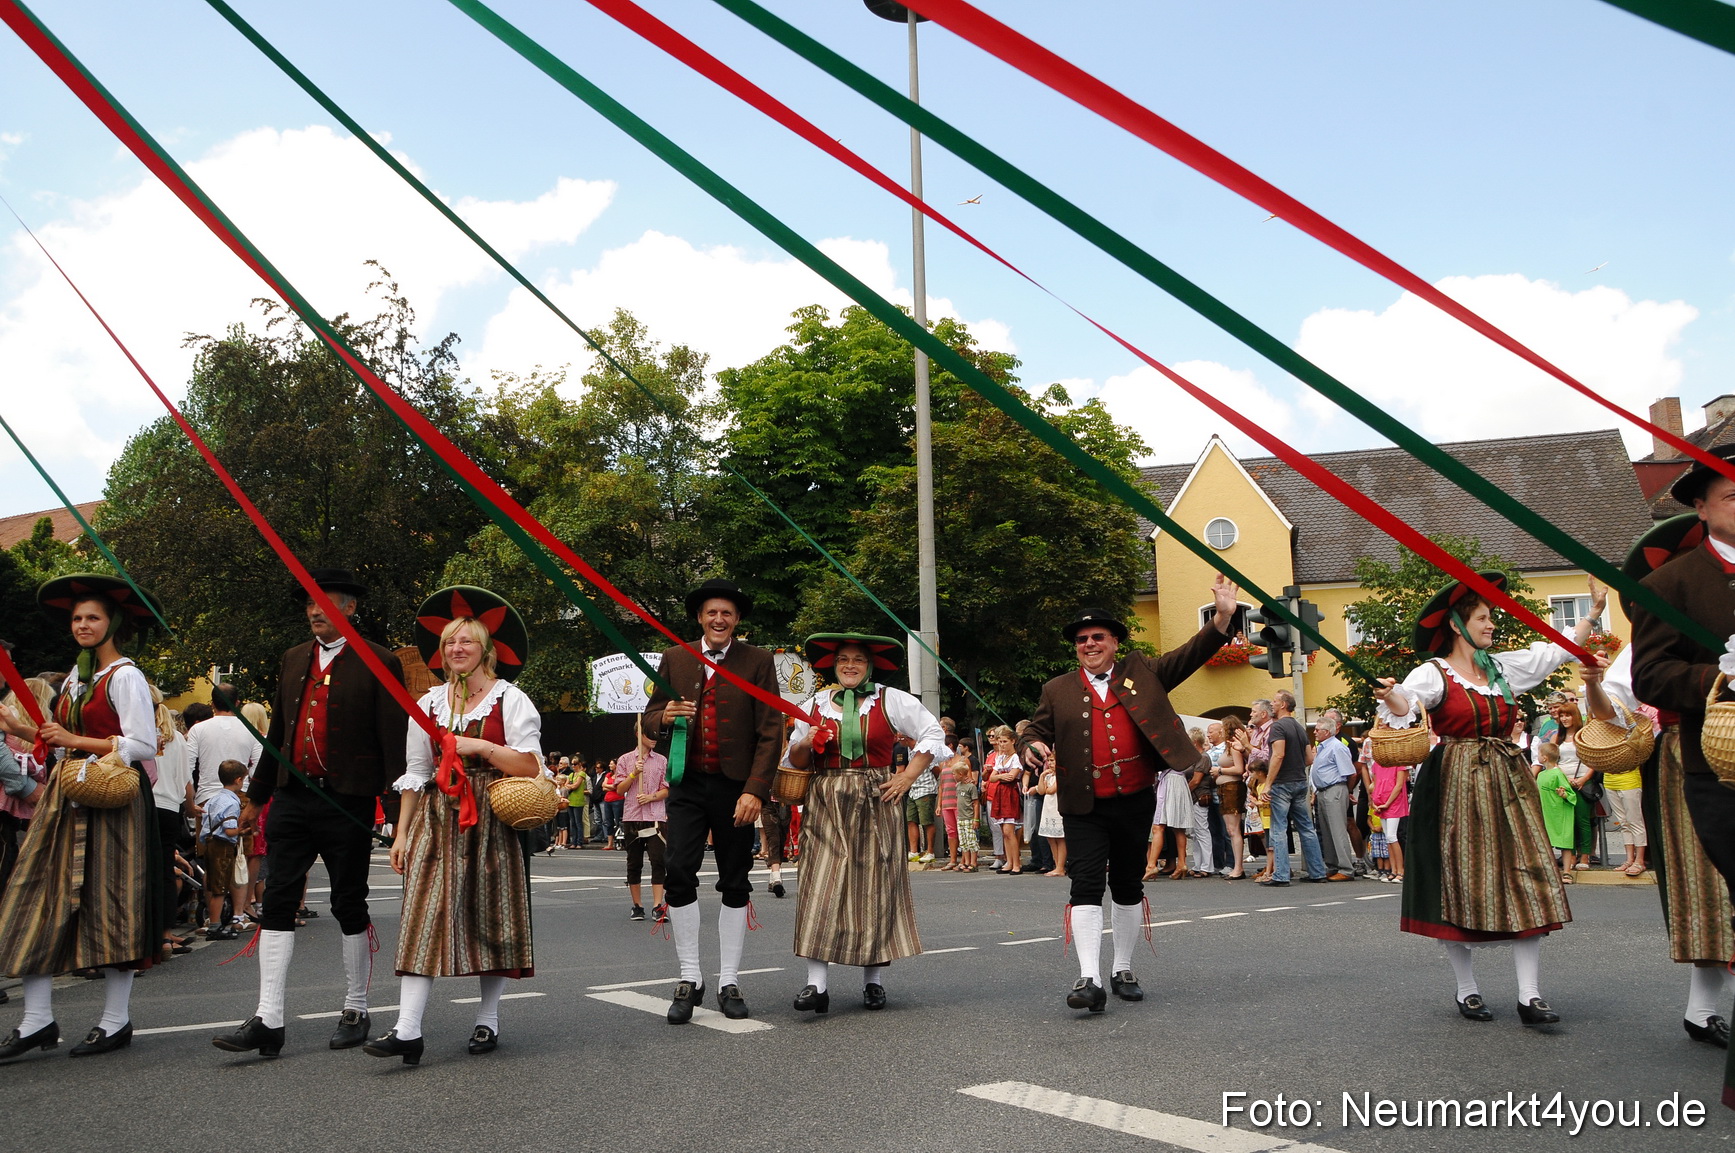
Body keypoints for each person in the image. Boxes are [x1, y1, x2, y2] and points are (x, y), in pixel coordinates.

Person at [1374, 571, 1603, 1027]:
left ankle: (1530, 995)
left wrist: (1592, 615)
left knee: (1528, 873)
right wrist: (1392, 696)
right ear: (1458, 625)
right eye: (1483, 617)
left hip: (1508, 781)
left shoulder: (1503, 668)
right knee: (1457, 880)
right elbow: (1405, 708)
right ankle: (1467, 989)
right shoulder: (1433, 673)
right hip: (1455, 782)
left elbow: (1557, 649)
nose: (1492, 625)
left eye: (1492, 617)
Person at [214, 569, 408, 1058]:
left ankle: (356, 1007)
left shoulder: (380, 661)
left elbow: (393, 740)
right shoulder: (293, 658)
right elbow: (278, 732)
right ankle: (269, 1018)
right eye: (309, 604)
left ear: (351, 608)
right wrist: (256, 799)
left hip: (349, 799)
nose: (315, 610)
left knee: (348, 901)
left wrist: (399, 811)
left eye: (325, 602)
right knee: (277, 900)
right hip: (293, 798)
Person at [1020, 582, 1237, 1013]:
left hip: (1135, 798)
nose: (1089, 644)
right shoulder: (1056, 689)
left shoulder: (1143, 672)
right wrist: (1030, 744)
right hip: (1083, 803)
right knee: (1084, 885)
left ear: (1115, 642)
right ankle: (1089, 978)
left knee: (1126, 886)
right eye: (1082, 640)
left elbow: (1191, 653)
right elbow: (1035, 730)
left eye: (1098, 637)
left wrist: (1223, 618)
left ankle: (1122, 969)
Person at [361, 586, 541, 1064]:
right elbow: (416, 773)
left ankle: (488, 1020)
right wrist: (400, 833)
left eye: (466, 642)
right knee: (422, 918)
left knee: (490, 920)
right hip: (437, 819)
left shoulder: (511, 699)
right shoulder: (429, 703)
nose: (456, 650)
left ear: (487, 651)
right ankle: (407, 1030)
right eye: (448, 643)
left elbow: (530, 767)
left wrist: (480, 748)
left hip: (492, 817)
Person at [0, 575, 167, 1060]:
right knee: (36, 897)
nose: (82, 625)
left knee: (112, 906)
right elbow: (62, 737)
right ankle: (37, 1021)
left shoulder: (126, 676)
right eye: (76, 618)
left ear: (112, 622)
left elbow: (139, 744)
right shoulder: (77, 676)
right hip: (66, 797)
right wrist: (23, 728)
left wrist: (72, 742)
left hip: (114, 802)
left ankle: (115, 1020)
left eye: (92, 617)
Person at [1594, 512, 1734, 1051]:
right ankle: (1701, 1010)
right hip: (1693, 756)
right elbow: (1627, 694)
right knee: (1708, 884)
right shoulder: (1663, 602)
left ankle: (1700, 1012)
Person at [642, 578, 784, 1023]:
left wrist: (755, 790)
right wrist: (663, 715)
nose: (718, 619)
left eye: (727, 613)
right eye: (711, 613)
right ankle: (690, 976)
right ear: (700, 618)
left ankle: (728, 979)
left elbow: (770, 730)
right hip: (686, 783)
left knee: (735, 879)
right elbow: (649, 719)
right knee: (678, 870)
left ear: (736, 620)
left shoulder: (758, 661)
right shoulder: (676, 657)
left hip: (735, 787)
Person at [783, 634, 946, 1012]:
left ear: (870, 664)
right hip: (826, 797)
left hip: (877, 795)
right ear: (834, 664)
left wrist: (907, 777)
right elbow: (795, 759)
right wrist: (806, 742)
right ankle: (816, 985)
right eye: (843, 659)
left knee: (873, 887)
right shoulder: (815, 703)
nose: (850, 665)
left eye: (858, 659)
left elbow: (934, 734)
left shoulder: (891, 699)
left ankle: (872, 982)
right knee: (819, 886)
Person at [1258, 690, 1326, 887]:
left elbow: (1278, 755)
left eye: (1275, 701)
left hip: (1282, 783)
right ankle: (1317, 871)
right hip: (1299, 781)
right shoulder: (1298, 726)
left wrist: (1268, 784)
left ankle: (1281, 875)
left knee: (1279, 828)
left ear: (1283, 705)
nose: (1272, 704)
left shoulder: (1277, 727)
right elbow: (1309, 758)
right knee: (1306, 827)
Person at [616, 722, 670, 921]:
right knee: (634, 862)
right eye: (651, 733)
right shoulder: (625, 759)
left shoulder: (662, 760)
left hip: (655, 817)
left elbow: (667, 788)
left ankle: (658, 905)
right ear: (639, 734)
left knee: (659, 860)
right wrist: (633, 774)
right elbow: (620, 789)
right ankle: (637, 905)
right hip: (632, 816)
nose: (655, 737)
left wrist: (651, 797)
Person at [186, 683, 260, 815]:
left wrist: (189, 802)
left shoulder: (198, 729)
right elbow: (258, 768)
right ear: (237, 703)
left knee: (207, 835)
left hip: (207, 796)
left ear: (213, 704)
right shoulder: (250, 730)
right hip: (241, 795)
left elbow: (187, 768)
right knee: (241, 833)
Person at [197, 760, 250, 940]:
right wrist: (243, 830)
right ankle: (215, 926)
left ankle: (214, 923)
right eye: (243, 780)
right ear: (237, 780)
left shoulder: (214, 799)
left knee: (213, 884)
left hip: (210, 844)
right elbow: (229, 830)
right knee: (220, 887)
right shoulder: (231, 802)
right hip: (223, 846)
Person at [1310, 718, 1358, 882]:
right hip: (1324, 790)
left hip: (1335, 789)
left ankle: (1345, 868)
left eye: (1317, 729)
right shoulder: (1322, 747)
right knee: (1327, 830)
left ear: (1327, 731)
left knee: (1337, 830)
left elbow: (1351, 772)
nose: (1315, 732)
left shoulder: (1337, 747)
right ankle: (1332, 865)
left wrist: (1348, 791)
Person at [984, 726, 1023, 874]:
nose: (1002, 745)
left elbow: (1012, 776)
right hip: (1000, 793)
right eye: (1000, 742)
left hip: (1010, 793)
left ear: (1013, 741)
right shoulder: (1000, 758)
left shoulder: (1015, 758)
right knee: (1003, 830)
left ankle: (1016, 864)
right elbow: (993, 778)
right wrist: (1000, 775)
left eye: (1005, 741)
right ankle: (1009, 862)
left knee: (1009, 830)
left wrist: (1000, 775)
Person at [1216, 715, 1249, 879]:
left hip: (1232, 787)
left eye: (1222, 727)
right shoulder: (1227, 747)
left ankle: (1238, 867)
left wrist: (1220, 771)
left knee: (1233, 829)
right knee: (1231, 829)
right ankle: (1237, 865)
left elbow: (1238, 769)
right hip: (1225, 787)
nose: (1220, 730)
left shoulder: (1234, 747)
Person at [953, 757, 980, 872]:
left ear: (960, 774)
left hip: (969, 818)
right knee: (963, 841)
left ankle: (974, 863)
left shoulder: (971, 787)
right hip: (961, 817)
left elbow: (976, 803)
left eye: (954, 774)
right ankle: (967, 862)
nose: (953, 776)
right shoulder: (958, 786)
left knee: (971, 841)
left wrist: (976, 819)